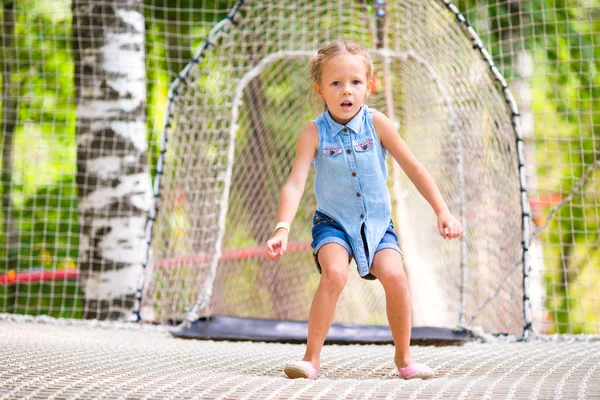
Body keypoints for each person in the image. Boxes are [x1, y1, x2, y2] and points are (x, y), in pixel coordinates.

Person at [264, 41, 463, 380]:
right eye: (336, 83)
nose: (346, 91)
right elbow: (295, 183)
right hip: (333, 224)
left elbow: (414, 168)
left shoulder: (379, 124)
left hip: (377, 224)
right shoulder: (313, 132)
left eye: (355, 82)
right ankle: (310, 360)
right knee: (336, 274)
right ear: (320, 90)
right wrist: (282, 227)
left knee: (397, 276)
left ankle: (404, 359)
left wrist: (442, 210)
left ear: (370, 87)